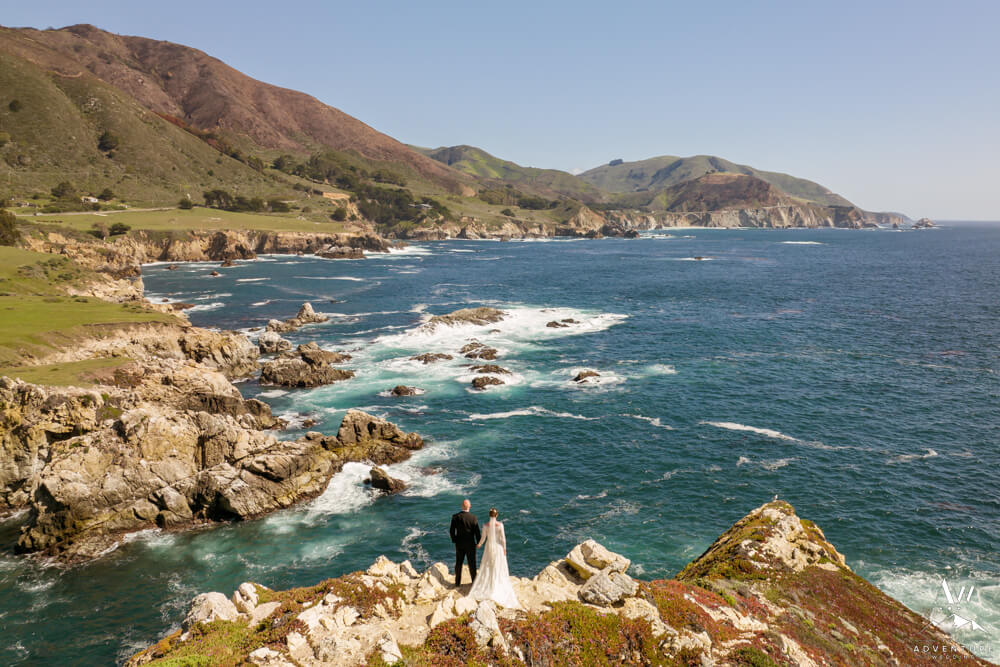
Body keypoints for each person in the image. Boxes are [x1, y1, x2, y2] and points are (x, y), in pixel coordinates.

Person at [468, 508, 521, 608]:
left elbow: (483, 538)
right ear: (496, 515)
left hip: (489, 547)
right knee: (498, 566)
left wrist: (479, 544)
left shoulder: (485, 526)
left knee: (488, 565)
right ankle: (497, 584)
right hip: (498, 548)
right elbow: (503, 539)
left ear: (489, 515)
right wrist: (504, 549)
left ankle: (488, 584)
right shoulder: (500, 525)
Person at [449, 498, 480, 587]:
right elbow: (477, 532)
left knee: (459, 563)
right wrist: (478, 542)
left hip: (459, 544)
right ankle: (474, 583)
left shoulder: (455, 517)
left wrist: (454, 540)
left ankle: (457, 583)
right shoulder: (473, 518)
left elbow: (451, 531)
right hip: (470, 544)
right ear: (469, 506)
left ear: (462, 506)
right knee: (472, 564)